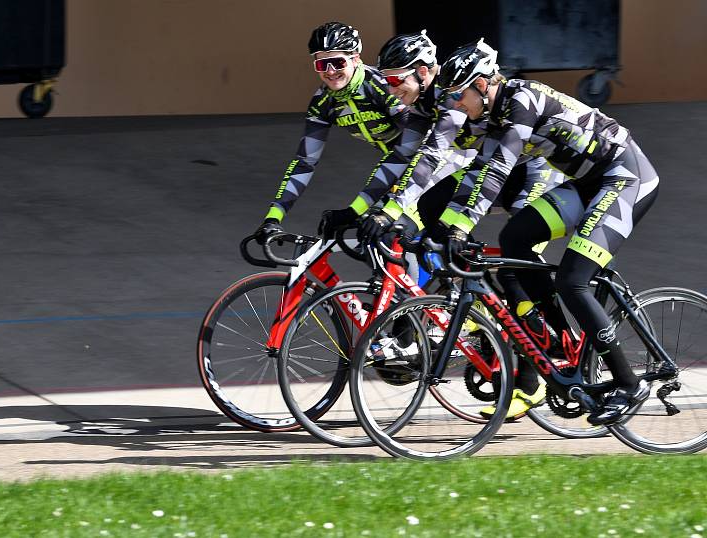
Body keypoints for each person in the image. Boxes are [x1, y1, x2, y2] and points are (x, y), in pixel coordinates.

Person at [433, 39, 659, 425]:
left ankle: (628, 383)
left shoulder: (521, 100)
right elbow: (476, 173)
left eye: (460, 95)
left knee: (574, 280)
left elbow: (499, 168)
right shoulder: (497, 113)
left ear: (483, 84)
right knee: (515, 239)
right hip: (589, 182)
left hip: (626, 177)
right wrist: (449, 224)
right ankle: (556, 335)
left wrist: (462, 226)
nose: (457, 104)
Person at [369, 36, 572, 419]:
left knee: (514, 266)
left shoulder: (448, 97)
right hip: (497, 168)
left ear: (424, 73)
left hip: (530, 171)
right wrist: (368, 207)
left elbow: (431, 156)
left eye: (396, 82)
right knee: (433, 208)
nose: (390, 92)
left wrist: (395, 210)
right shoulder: (419, 103)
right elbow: (401, 160)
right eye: (385, 83)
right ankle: (480, 300)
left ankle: (532, 379)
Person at [252, 22, 430, 245]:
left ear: (355, 58)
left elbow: (418, 143)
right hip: (396, 167)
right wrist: (273, 217)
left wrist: (355, 209)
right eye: (321, 64)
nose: (330, 71)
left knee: (391, 236)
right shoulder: (323, 103)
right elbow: (304, 162)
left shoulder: (382, 85)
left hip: (429, 162)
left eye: (337, 62)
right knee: (369, 240)